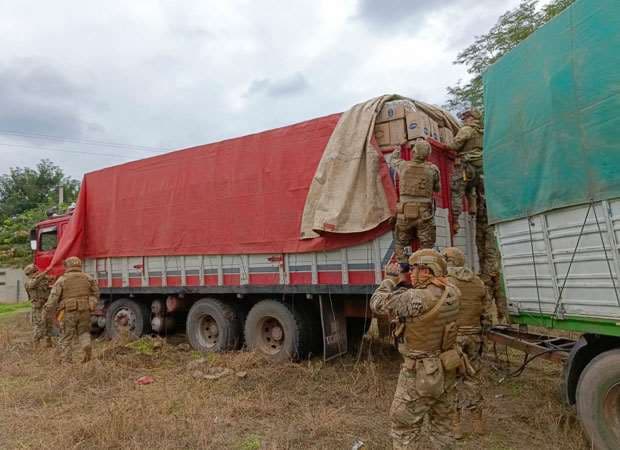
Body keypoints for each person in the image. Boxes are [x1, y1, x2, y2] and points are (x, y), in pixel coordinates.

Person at [371, 249, 461, 449]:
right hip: (447, 368)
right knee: (443, 427)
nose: (410, 273)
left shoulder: (416, 298)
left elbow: (376, 303)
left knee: (404, 427)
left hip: (420, 373)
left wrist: (390, 279)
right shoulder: (453, 291)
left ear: (428, 272)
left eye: (415, 269)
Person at [441, 247, 491, 436]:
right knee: (472, 379)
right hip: (474, 337)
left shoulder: (446, 282)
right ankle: (478, 423)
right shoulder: (478, 282)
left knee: (450, 380)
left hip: (452, 339)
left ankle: (455, 426)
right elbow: (486, 314)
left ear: (448, 261)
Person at [390, 140, 440, 272]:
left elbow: (393, 160)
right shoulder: (433, 169)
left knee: (400, 242)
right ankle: (424, 270)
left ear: (414, 152)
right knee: (427, 244)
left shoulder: (403, 166)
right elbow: (437, 188)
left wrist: (397, 148)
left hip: (404, 213)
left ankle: (404, 268)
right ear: (428, 154)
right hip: (425, 214)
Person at [43, 256, 99, 363]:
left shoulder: (63, 279)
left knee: (66, 336)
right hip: (85, 310)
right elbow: (96, 293)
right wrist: (91, 302)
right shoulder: (88, 277)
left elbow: (53, 297)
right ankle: (86, 345)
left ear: (67, 266)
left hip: (69, 312)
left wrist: (47, 309)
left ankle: (67, 362)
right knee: (84, 332)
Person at [448, 109, 484, 234]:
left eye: (466, 117)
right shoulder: (481, 133)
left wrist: (447, 144)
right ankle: (473, 208)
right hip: (479, 170)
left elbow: (454, 145)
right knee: (471, 189)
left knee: (456, 191)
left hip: (466, 166)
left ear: (472, 118)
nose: (463, 120)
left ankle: (455, 221)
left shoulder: (466, 130)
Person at [476, 187, 508, 322]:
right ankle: (498, 320)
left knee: (499, 292)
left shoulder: (493, 230)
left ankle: (503, 319)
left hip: (493, 271)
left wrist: (492, 271)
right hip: (489, 269)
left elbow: (491, 252)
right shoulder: (481, 198)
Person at [23, 264, 54, 349]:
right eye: (35, 272)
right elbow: (33, 284)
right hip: (37, 307)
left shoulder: (42, 280)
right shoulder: (29, 282)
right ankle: (36, 345)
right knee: (39, 325)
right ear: (30, 273)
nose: (37, 273)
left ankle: (49, 343)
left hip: (46, 305)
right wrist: (45, 272)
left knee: (49, 323)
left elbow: (50, 281)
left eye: (37, 271)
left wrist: (49, 279)